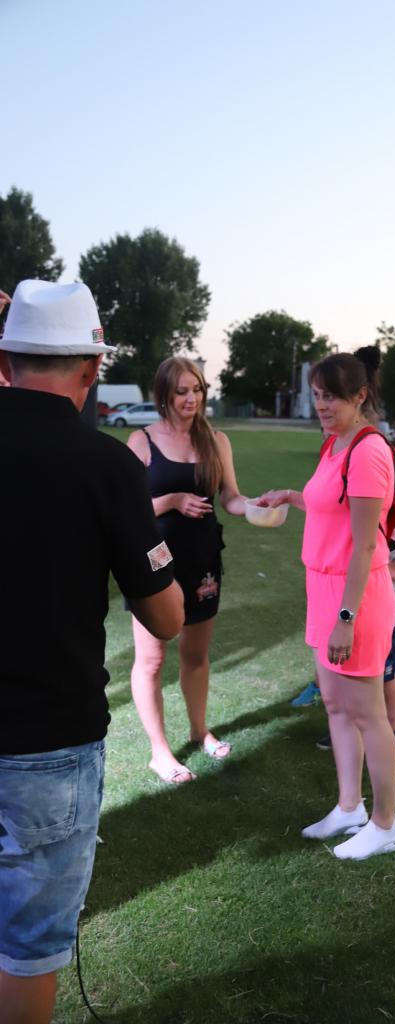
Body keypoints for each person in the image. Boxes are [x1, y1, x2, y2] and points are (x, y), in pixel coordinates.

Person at [0, 281, 184, 1024]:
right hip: (50, 743)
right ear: (90, 369)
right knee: (28, 947)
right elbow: (166, 616)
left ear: (6, 362)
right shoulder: (106, 465)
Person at [260, 348, 395, 860]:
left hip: (353, 596)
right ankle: (349, 807)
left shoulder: (368, 450)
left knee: (369, 713)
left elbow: (364, 544)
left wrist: (346, 618)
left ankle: (385, 824)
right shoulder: (334, 444)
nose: (322, 405)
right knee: (337, 706)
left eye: (332, 397)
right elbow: (330, 505)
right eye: (317, 395)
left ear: (360, 396)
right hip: (322, 589)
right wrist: (290, 496)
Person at [127, 357, 251, 784]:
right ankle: (159, 752)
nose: (191, 398)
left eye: (196, 389)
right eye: (181, 391)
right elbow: (127, 510)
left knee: (196, 654)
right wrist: (173, 500)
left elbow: (230, 497)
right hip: (155, 562)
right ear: (164, 394)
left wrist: (255, 507)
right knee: (151, 659)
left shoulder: (216, 441)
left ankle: (199, 731)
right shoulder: (142, 441)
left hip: (202, 559)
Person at [314, 499, 395, 765]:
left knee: (386, 671)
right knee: (347, 668)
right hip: (345, 596)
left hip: (382, 601)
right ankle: (348, 728)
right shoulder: (350, 491)